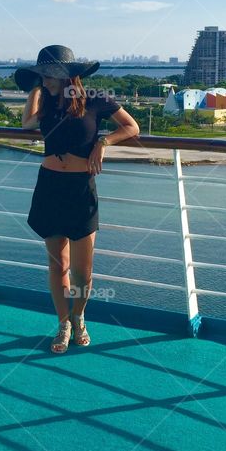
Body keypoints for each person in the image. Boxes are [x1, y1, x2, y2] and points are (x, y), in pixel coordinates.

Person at [17, 45, 140, 354]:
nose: (46, 79)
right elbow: (26, 124)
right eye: (42, 74)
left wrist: (103, 141)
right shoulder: (45, 103)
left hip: (80, 188)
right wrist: (34, 87)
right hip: (49, 187)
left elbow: (131, 126)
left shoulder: (96, 100)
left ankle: (79, 316)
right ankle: (63, 324)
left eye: (50, 73)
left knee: (83, 272)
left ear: (69, 75)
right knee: (57, 265)